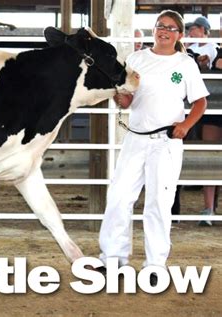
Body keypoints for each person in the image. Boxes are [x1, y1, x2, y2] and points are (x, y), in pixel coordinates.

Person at [99, 10, 208, 285]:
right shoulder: (136, 59)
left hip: (166, 141)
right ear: (154, 30)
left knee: (159, 203)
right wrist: (116, 93)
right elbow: (127, 102)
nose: (164, 31)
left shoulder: (185, 63)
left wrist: (185, 124)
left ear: (178, 35)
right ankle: (112, 258)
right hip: (135, 138)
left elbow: (200, 103)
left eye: (171, 28)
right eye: (160, 26)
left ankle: (155, 264)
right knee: (119, 197)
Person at [185, 17, 221, 225]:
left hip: (212, 105)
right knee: (209, 155)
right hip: (213, 109)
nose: (191, 32)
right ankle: (208, 209)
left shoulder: (213, 46)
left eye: (194, 28)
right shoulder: (192, 49)